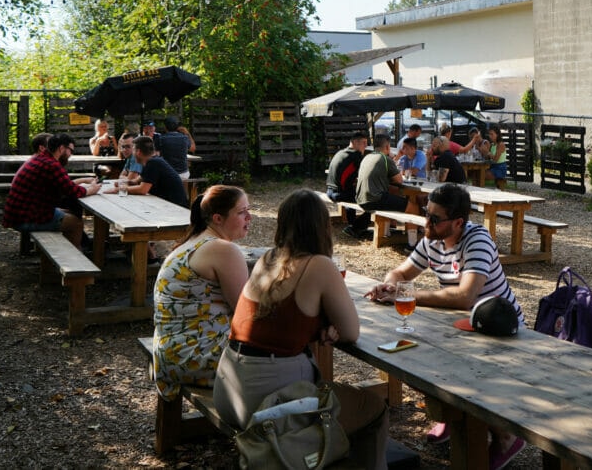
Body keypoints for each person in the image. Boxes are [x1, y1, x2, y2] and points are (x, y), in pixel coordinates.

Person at [213, 190, 389, 469]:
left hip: (228, 389)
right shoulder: (318, 265)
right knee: (373, 407)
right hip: (266, 401)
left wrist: (318, 325)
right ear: (322, 226)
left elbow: (276, 321)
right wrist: (327, 325)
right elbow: (351, 332)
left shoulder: (267, 259)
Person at [364, 183, 526, 468]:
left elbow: (465, 297)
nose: (426, 222)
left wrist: (407, 295)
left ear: (458, 222)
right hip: (461, 326)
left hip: (499, 330)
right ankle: (453, 415)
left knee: (437, 358)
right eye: (427, 213)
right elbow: (401, 272)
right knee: (410, 355)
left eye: (435, 218)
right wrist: (389, 285)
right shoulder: (433, 238)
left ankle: (505, 437)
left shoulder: (477, 240)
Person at [153, 186, 251, 400]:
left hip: (171, 353)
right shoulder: (223, 250)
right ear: (218, 218)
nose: (249, 217)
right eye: (242, 212)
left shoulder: (191, 243)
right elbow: (247, 314)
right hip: (195, 356)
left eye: (248, 210)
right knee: (286, 349)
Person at [2, 133, 102, 249]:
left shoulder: (39, 158)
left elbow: (64, 186)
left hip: (19, 214)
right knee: (76, 224)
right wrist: (92, 189)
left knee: (70, 213)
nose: (70, 155)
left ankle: (72, 249)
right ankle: (74, 257)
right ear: (61, 148)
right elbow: (72, 192)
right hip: (24, 219)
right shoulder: (52, 164)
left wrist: (85, 183)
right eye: (70, 150)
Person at [108, 136, 188, 207]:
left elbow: (142, 190)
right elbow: (135, 181)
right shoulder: (152, 161)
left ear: (138, 152)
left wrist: (119, 189)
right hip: (166, 204)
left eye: (133, 150)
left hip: (176, 208)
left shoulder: (153, 163)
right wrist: (124, 182)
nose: (132, 153)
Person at [356, 134, 419, 214]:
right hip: (375, 199)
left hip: (360, 199)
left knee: (394, 193)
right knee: (414, 208)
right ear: (387, 147)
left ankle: (392, 223)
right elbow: (399, 180)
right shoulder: (385, 158)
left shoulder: (367, 157)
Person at [326, 131, 371, 239]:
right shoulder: (355, 155)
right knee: (372, 201)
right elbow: (367, 173)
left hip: (330, 191)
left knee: (353, 192)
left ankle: (352, 224)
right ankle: (355, 228)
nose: (366, 146)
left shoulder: (341, 152)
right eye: (364, 143)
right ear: (355, 142)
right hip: (339, 193)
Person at [480, 124, 508, 189]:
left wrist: (487, 152)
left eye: (492, 134)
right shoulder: (492, 145)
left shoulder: (500, 145)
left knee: (481, 175)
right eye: (489, 134)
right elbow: (488, 158)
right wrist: (483, 151)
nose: (490, 136)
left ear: (497, 134)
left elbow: (495, 159)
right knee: (477, 173)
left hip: (500, 168)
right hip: (492, 167)